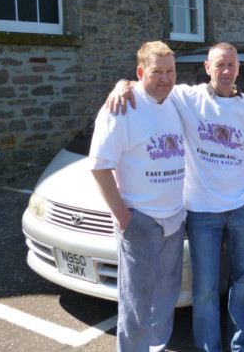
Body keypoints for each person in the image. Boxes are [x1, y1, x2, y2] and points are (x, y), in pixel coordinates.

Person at [107, 43, 244, 352]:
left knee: (243, 280)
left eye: (232, 65)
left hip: (243, 209)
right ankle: (209, 347)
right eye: (220, 65)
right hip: (203, 212)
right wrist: (122, 84)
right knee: (205, 289)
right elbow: (150, 84)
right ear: (208, 68)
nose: (227, 71)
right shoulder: (186, 97)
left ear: (238, 68)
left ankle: (242, 342)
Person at [90, 40, 186, 352]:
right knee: (135, 305)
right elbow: (100, 166)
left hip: (174, 219)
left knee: (165, 296)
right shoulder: (121, 108)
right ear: (140, 72)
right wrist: (124, 218)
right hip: (141, 222)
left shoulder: (174, 101)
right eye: (157, 72)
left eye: (170, 71)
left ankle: (157, 347)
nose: (165, 78)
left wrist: (124, 82)